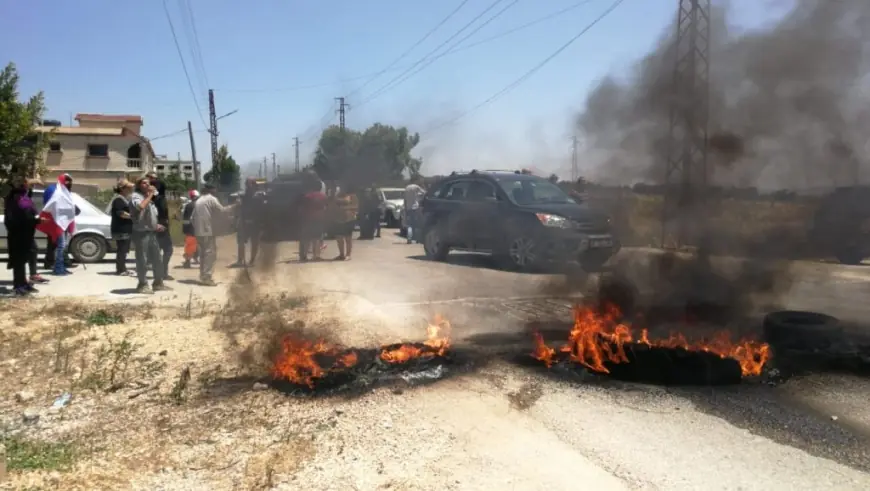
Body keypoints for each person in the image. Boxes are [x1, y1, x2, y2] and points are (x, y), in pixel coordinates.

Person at [130, 176, 170, 294]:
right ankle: (142, 284)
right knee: (142, 259)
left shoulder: (148, 198)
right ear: (138, 185)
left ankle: (158, 283)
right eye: (144, 183)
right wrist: (150, 195)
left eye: (149, 183)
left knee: (157, 259)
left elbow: (150, 215)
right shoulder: (136, 197)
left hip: (151, 232)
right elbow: (140, 207)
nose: (147, 185)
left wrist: (155, 225)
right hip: (141, 233)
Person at [192, 182, 235, 286]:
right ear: (211, 190)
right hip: (207, 231)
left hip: (198, 231)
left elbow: (192, 218)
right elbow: (222, 210)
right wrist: (234, 206)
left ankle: (203, 275)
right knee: (210, 254)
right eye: (214, 189)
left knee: (203, 254)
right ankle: (207, 277)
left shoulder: (199, 200)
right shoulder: (211, 199)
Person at [4, 176, 42, 296]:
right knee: (19, 261)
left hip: (25, 234)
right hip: (18, 235)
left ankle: (24, 283)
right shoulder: (17, 199)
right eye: (30, 185)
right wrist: (38, 221)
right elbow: (24, 217)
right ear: (24, 186)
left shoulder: (22, 196)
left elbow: (29, 212)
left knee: (29, 253)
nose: (31, 187)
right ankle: (19, 286)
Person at [42, 173, 79, 272]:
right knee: (53, 243)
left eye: (70, 181)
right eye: (67, 181)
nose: (69, 183)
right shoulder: (53, 190)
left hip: (64, 221)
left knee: (61, 244)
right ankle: (51, 263)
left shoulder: (65, 191)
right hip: (54, 220)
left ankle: (61, 263)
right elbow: (51, 205)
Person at [148, 173, 174, 280]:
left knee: (157, 249)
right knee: (168, 249)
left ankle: (159, 272)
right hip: (161, 227)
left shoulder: (151, 198)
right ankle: (163, 272)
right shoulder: (161, 199)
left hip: (154, 226)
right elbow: (161, 214)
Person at [233, 178, 262, 267]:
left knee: (255, 242)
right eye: (247, 184)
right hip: (244, 221)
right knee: (241, 241)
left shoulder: (259, 197)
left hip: (255, 223)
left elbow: (262, 211)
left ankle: (252, 260)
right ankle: (240, 260)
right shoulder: (243, 196)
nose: (248, 186)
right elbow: (239, 209)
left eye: (250, 184)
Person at [298, 178, 328, 261]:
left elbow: (303, 207)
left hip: (308, 218)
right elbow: (326, 207)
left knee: (307, 238)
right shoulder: (323, 196)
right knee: (317, 238)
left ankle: (304, 255)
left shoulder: (308, 196)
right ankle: (316, 256)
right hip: (319, 218)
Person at [109, 180, 134, 276]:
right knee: (122, 250)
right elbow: (121, 213)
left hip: (125, 229)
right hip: (121, 229)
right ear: (123, 189)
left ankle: (123, 268)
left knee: (124, 250)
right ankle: (120, 270)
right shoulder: (118, 200)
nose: (131, 190)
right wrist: (134, 217)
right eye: (129, 188)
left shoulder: (124, 199)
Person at [331, 184, 358, 260]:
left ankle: (348, 254)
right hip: (338, 219)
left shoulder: (353, 196)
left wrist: (344, 208)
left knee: (348, 238)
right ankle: (341, 254)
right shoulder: (337, 196)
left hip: (349, 219)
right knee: (339, 238)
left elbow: (356, 206)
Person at [403, 177, 425, 244]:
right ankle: (417, 239)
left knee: (409, 224)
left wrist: (405, 208)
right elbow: (424, 193)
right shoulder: (416, 187)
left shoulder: (406, 188)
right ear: (415, 180)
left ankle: (409, 239)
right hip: (415, 208)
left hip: (408, 208)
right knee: (417, 224)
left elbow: (405, 199)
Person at [181, 189, 200, 268]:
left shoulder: (188, 205)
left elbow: (184, 218)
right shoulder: (198, 205)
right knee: (196, 245)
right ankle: (192, 259)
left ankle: (188, 260)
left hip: (188, 229)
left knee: (190, 245)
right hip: (196, 229)